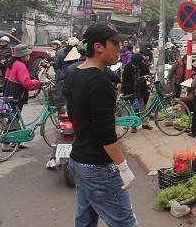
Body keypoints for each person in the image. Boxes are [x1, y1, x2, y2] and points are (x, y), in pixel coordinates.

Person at [64, 23, 136, 227]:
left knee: (85, 220)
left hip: (78, 160)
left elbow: (74, 116)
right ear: (98, 47)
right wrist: (122, 166)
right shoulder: (99, 83)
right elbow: (105, 134)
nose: (119, 49)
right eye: (114, 44)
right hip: (97, 166)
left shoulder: (74, 74)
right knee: (125, 222)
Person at [3, 44, 45, 112]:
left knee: (11, 115)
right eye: (28, 54)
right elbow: (27, 83)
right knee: (15, 119)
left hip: (8, 92)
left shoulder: (12, 63)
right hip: (17, 95)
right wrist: (39, 83)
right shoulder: (21, 65)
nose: (29, 56)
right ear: (23, 55)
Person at [121, 53, 152, 131]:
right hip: (131, 91)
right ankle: (133, 126)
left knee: (143, 108)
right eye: (135, 64)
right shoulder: (127, 68)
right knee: (133, 109)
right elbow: (124, 81)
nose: (136, 65)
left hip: (141, 90)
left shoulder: (143, 66)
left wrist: (149, 80)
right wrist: (123, 92)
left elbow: (148, 75)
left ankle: (145, 124)